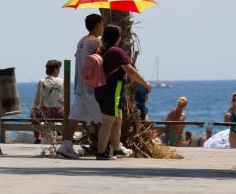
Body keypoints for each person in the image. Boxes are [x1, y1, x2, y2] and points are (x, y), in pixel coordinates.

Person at [57, 14, 122, 158]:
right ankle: (111, 148)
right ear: (98, 25)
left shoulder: (81, 41)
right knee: (108, 119)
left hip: (80, 85)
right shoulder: (96, 42)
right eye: (102, 25)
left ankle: (65, 145)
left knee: (74, 117)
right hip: (92, 87)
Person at [94, 25, 152, 160]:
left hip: (103, 88)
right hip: (112, 89)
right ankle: (101, 153)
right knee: (108, 121)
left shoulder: (102, 50)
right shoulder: (116, 52)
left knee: (117, 120)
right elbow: (130, 70)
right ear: (118, 37)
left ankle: (116, 149)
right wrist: (145, 83)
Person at [31, 60, 64, 144]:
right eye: (59, 69)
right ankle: (63, 134)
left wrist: (34, 109)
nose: (59, 71)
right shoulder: (62, 81)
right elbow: (64, 98)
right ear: (56, 69)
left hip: (46, 112)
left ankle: (38, 137)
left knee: (33, 113)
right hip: (60, 112)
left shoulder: (42, 81)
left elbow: (37, 99)